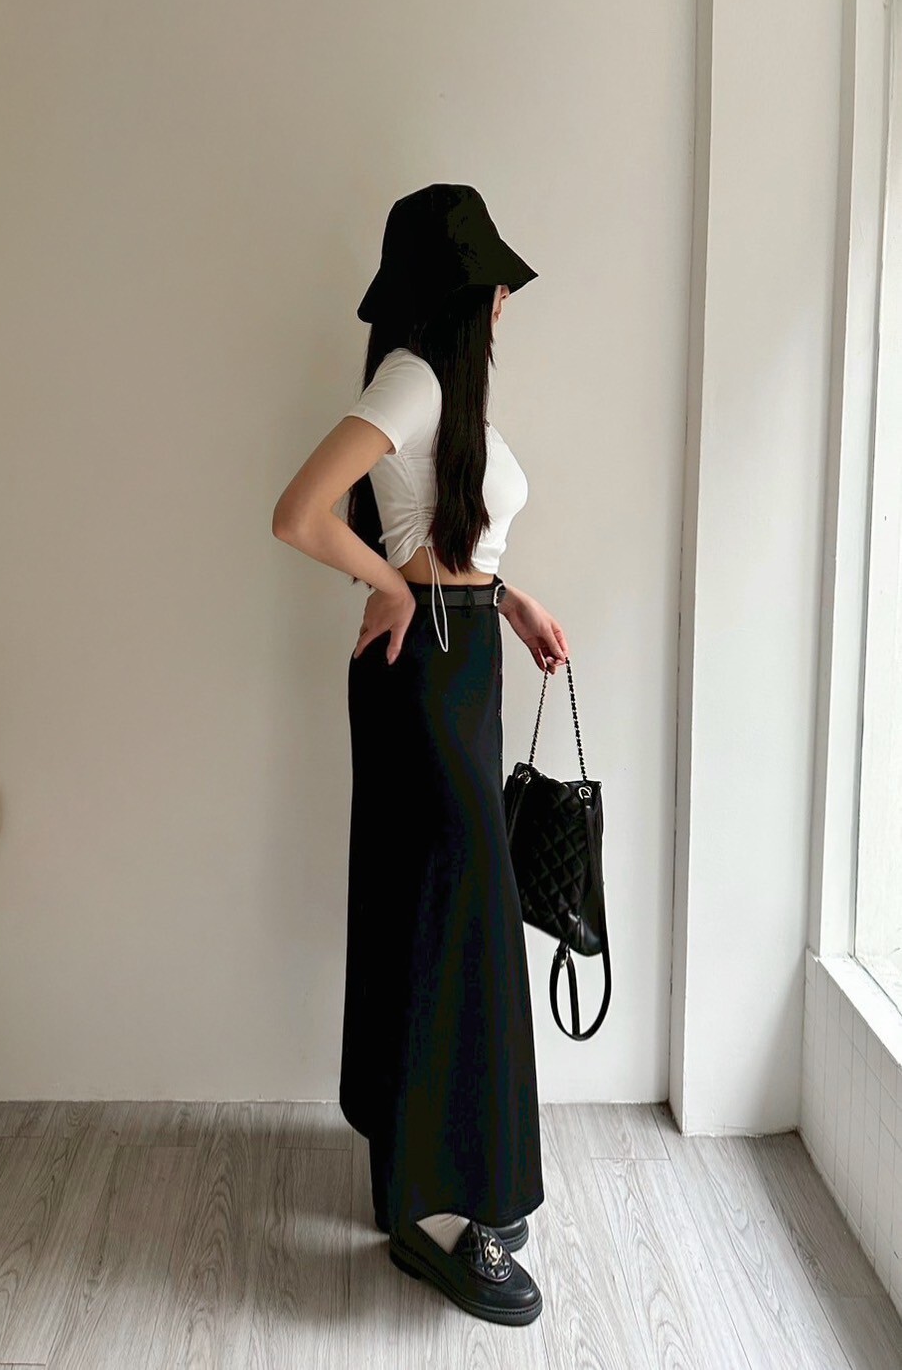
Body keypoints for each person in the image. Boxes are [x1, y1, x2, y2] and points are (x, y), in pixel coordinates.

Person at [271, 185, 569, 1328]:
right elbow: (300, 511)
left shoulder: (444, 391)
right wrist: (393, 587)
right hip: (428, 674)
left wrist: (513, 598)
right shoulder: (412, 378)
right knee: (468, 927)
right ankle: (456, 1212)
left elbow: (447, 529)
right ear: (462, 291)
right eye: (495, 285)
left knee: (437, 917)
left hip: (463, 658)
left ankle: (420, 1181)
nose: (505, 304)